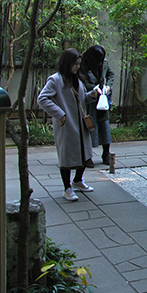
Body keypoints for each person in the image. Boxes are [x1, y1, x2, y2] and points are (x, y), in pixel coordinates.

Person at [38, 48, 102, 202]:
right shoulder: (55, 79)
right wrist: (60, 114)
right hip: (67, 124)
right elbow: (42, 98)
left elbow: (79, 100)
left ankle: (78, 181)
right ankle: (67, 188)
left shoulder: (77, 79)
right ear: (67, 63)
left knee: (84, 153)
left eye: (79, 64)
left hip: (81, 124)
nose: (77, 67)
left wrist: (91, 96)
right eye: (75, 64)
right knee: (67, 157)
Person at [79, 45, 116, 165]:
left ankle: (106, 153)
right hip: (89, 99)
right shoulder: (82, 65)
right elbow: (81, 80)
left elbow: (111, 74)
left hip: (102, 100)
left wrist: (108, 86)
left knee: (104, 125)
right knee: (89, 127)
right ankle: (87, 156)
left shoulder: (104, 63)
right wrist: (93, 88)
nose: (100, 62)